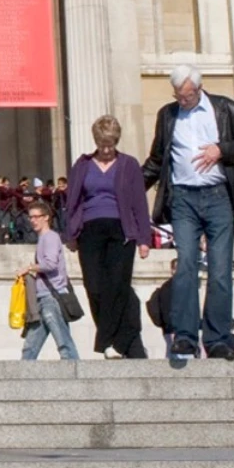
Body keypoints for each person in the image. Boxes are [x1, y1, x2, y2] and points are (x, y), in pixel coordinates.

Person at [143, 65, 234, 361]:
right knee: (185, 267)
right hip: (183, 198)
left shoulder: (225, 109)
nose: (184, 101)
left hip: (218, 195)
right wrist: (129, 188)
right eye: (179, 96)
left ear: (199, 88)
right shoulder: (167, 115)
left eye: (188, 96)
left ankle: (218, 338)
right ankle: (184, 336)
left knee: (220, 271)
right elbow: (157, 160)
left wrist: (221, 149)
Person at [62, 115, 152, 359]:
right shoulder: (82, 165)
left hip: (121, 230)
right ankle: (116, 341)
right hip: (90, 230)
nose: (106, 150)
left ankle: (108, 342)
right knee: (94, 286)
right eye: (102, 145)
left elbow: (138, 202)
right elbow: (72, 201)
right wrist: (70, 232)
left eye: (110, 145)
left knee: (117, 286)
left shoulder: (129, 164)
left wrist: (144, 238)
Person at [16, 199, 79, 362]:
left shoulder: (50, 237)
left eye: (37, 217)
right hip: (43, 298)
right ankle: (22, 377)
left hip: (51, 298)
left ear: (47, 218)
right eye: (31, 217)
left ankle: (75, 373)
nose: (33, 220)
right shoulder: (44, 239)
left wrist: (29, 268)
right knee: (30, 348)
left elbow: (50, 264)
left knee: (64, 344)